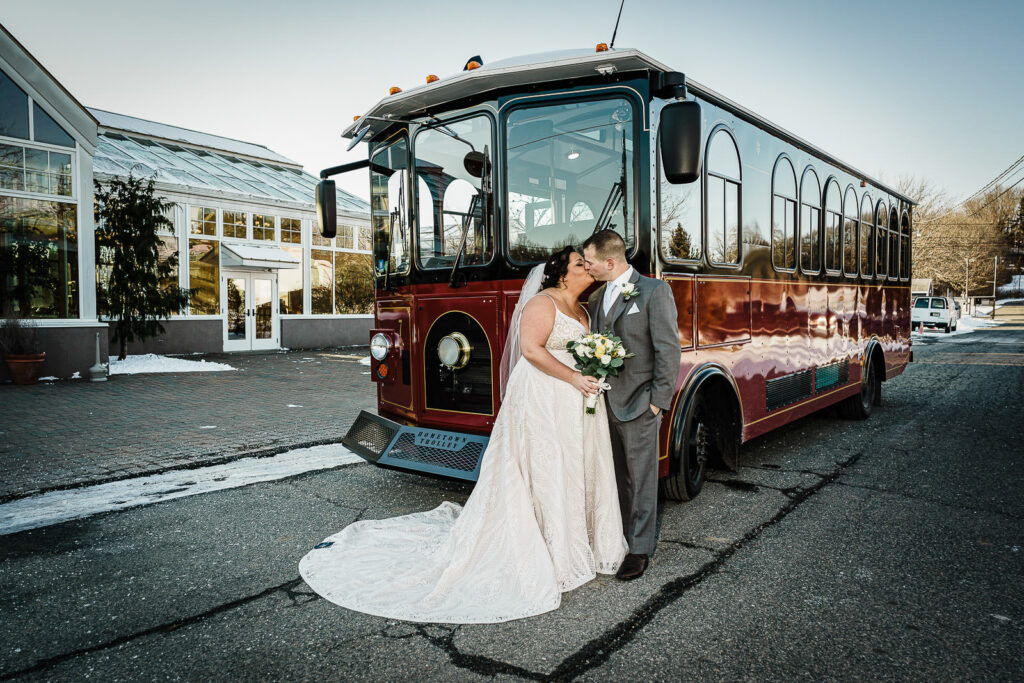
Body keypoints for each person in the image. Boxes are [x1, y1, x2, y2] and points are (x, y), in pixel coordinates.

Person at [299, 246, 627, 624]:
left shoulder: (584, 310)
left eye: (587, 262)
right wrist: (573, 376)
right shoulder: (542, 302)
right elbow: (530, 350)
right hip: (543, 395)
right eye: (579, 263)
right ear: (562, 274)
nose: (587, 267)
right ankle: (545, 544)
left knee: (572, 464)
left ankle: (575, 540)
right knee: (544, 462)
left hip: (574, 400)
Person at [582, 230, 680, 581]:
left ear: (610, 262)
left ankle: (639, 550)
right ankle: (616, 539)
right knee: (614, 476)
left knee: (641, 479)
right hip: (602, 404)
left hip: (640, 403)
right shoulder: (595, 298)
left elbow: (668, 350)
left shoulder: (655, 291)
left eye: (589, 262)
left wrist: (657, 403)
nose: (585, 267)